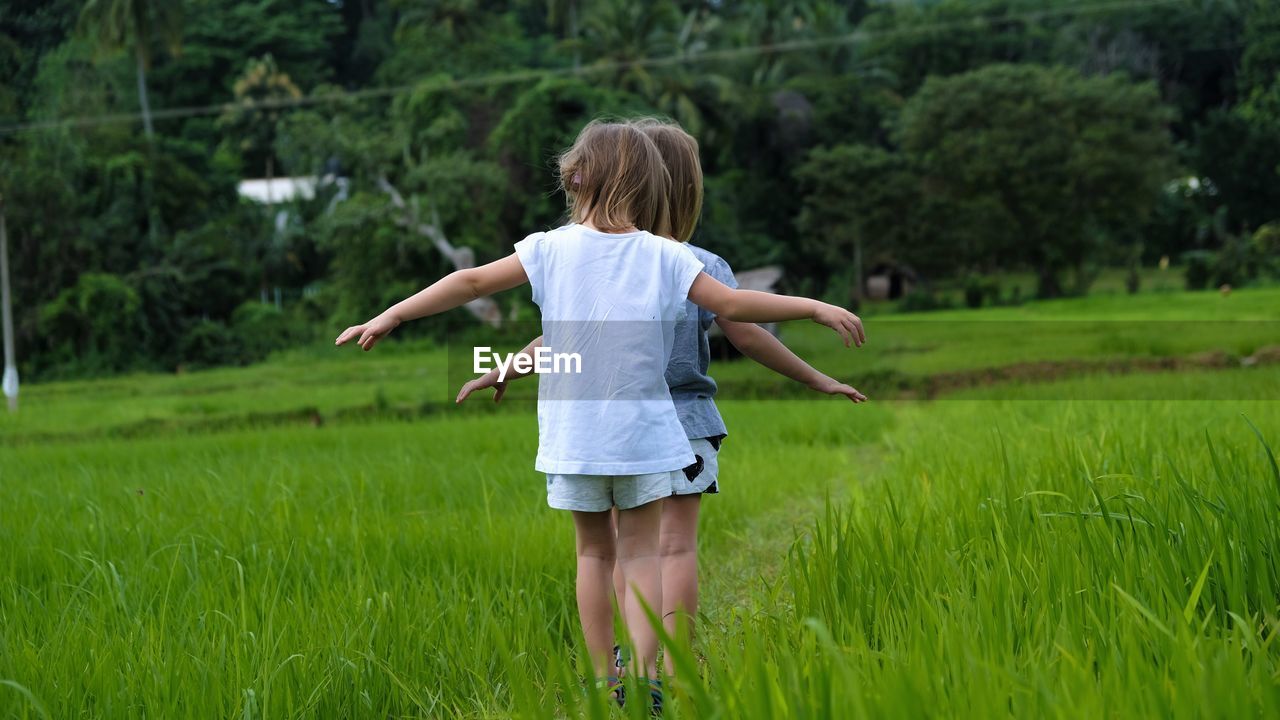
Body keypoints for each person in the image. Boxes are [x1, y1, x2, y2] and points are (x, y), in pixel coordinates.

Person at [336, 120, 864, 712]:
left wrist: (392, 315)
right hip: (645, 436)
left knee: (594, 555)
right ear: (649, 183)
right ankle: (647, 675)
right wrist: (815, 307)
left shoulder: (546, 249)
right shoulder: (669, 256)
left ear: (576, 178)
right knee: (645, 555)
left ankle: (599, 678)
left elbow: (471, 280)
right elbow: (735, 307)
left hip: (575, 437)